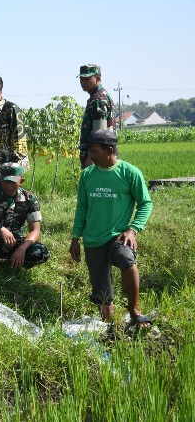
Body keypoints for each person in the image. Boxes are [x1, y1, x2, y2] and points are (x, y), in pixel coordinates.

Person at [70, 129, 153, 328]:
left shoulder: (129, 172)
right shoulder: (88, 175)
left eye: (94, 151)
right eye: (89, 151)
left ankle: (134, 310)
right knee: (103, 296)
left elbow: (145, 203)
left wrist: (133, 229)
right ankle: (110, 327)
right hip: (92, 239)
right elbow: (82, 207)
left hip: (118, 237)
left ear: (109, 150)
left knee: (126, 258)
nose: (90, 156)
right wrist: (75, 237)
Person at [0, 163, 50, 270]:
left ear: (21, 181)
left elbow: (35, 230)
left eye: (12, 182)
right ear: (0, 179)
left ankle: (16, 263)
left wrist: (22, 248)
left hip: (17, 242)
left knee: (42, 252)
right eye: (5, 181)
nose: (8, 185)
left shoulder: (30, 199)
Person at [78, 64, 116, 168]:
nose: (83, 82)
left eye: (87, 79)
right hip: (101, 156)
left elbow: (100, 135)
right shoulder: (99, 96)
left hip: (98, 159)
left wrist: (90, 158)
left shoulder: (98, 100)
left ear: (98, 78)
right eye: (81, 79)